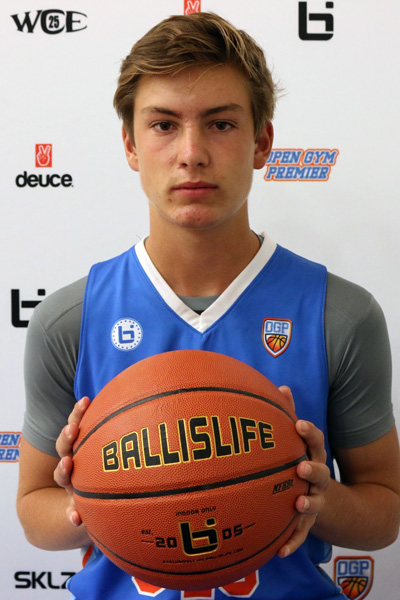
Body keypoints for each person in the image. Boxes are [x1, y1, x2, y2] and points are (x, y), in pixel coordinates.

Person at [17, 11, 400, 600]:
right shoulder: (70, 319)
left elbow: (384, 513)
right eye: (164, 125)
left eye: (221, 124)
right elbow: (33, 511)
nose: (191, 153)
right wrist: (87, 503)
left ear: (261, 142)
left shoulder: (339, 314)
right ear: (131, 145)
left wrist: (319, 500)